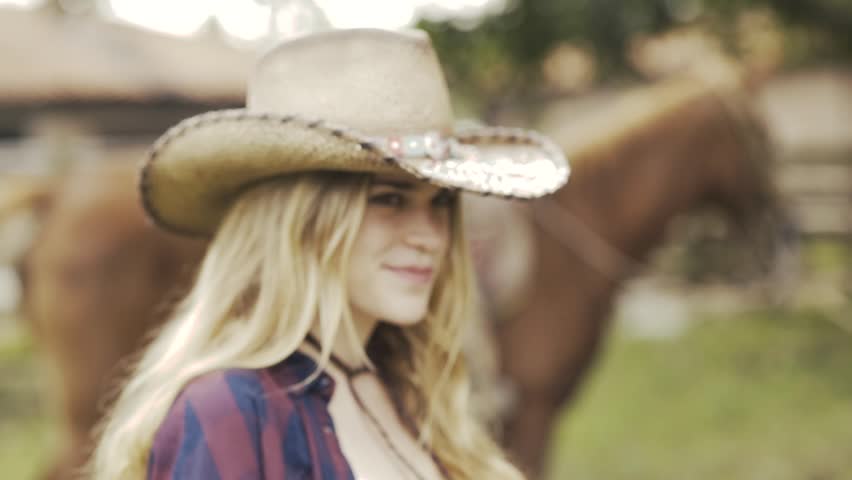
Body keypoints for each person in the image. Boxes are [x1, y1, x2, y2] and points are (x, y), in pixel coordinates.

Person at [90, 28, 568, 479]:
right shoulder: (231, 414)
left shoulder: (414, 393)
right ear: (301, 220)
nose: (430, 237)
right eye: (390, 199)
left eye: (440, 202)